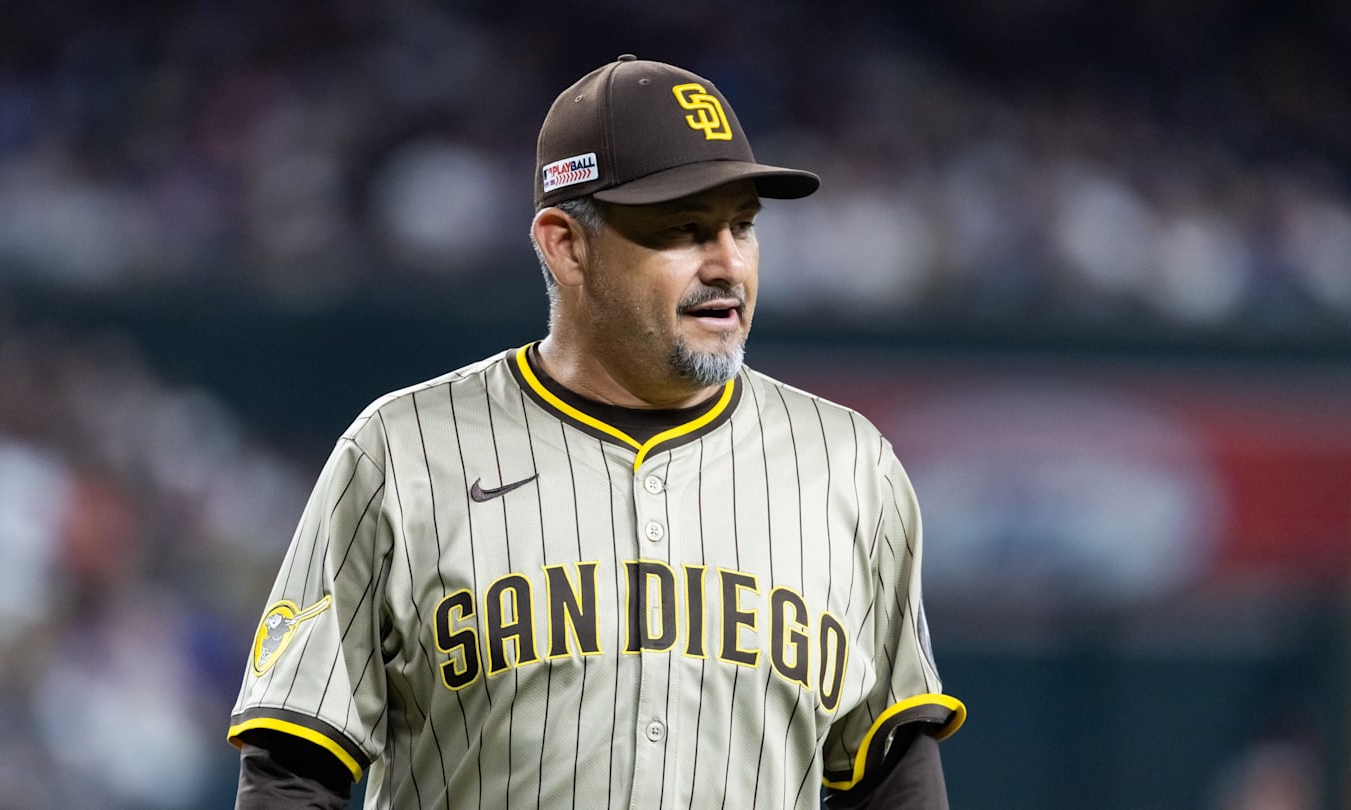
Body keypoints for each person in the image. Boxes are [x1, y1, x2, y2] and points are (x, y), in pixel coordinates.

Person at [227, 54, 965, 809]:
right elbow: (292, 770)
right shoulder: (402, 451)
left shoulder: (848, 465)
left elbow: (891, 774)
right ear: (565, 245)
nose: (727, 264)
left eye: (742, 225)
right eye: (683, 229)